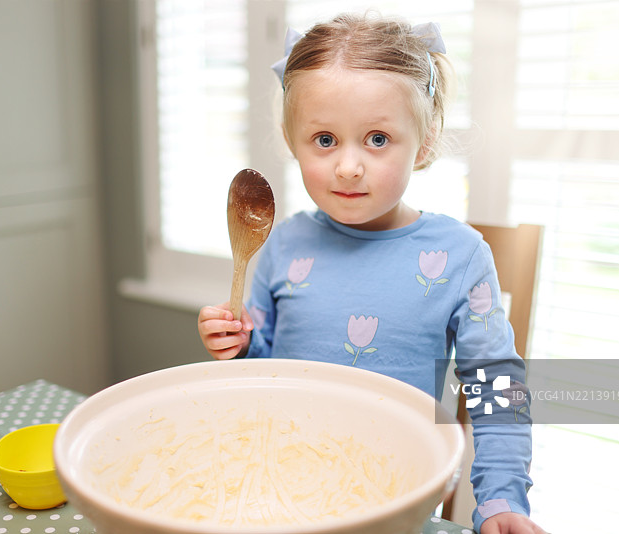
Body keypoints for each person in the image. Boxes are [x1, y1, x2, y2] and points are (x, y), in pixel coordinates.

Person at [198, 13, 546, 534]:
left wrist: (502, 501)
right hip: (282, 486)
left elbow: (497, 388)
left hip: (396, 499)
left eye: (378, 139)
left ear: (424, 141)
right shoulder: (281, 243)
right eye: (324, 139)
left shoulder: (461, 255)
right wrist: (239, 346)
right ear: (293, 140)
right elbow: (267, 374)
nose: (348, 166)